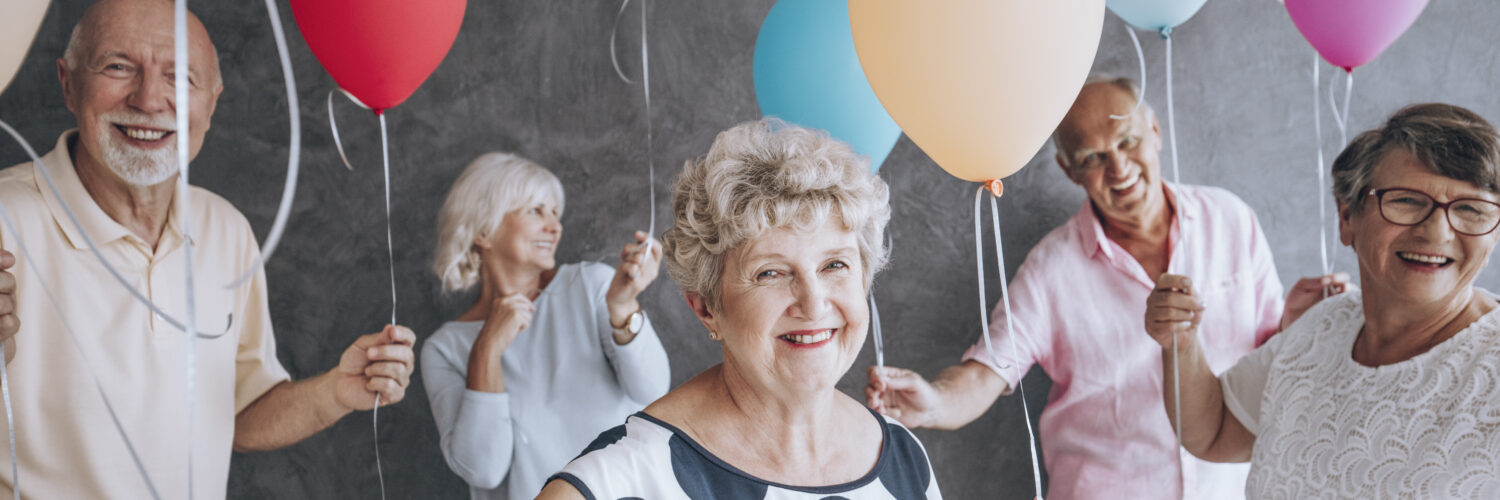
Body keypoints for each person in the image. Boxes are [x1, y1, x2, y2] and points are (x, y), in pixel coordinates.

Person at [0, 1, 415, 497]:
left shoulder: (226, 230)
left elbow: (238, 415)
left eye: (180, 77)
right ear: (68, 83)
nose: (150, 99)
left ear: (212, 104)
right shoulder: (5, 219)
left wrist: (334, 392)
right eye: (118, 66)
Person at [864, 76, 1344, 499]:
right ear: (1069, 170)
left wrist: (1294, 325)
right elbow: (986, 371)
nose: (1119, 168)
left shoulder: (1231, 219)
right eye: (1093, 157)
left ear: (1154, 133)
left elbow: (1264, 355)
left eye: (1128, 140)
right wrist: (934, 401)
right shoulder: (1053, 266)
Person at [536, 119, 941, 499]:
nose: (813, 304)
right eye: (770, 273)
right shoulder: (620, 481)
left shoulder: (905, 458)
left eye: (835, 265)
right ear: (707, 308)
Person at [1147, 103, 1500, 498]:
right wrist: (1180, 341)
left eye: (1471, 208)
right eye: (1406, 201)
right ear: (1348, 218)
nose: (1436, 233)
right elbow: (1214, 431)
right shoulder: (1323, 326)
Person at [420, 152, 670, 499]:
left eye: (555, 213)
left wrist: (623, 306)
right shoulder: (443, 349)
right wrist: (487, 348)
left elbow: (653, 391)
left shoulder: (592, 286)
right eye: (535, 211)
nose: (555, 227)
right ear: (483, 230)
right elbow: (483, 468)